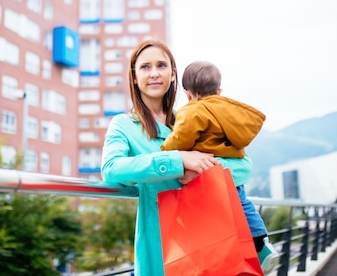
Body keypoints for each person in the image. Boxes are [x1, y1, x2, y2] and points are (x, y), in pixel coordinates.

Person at [101, 39, 255, 276]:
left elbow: (243, 165)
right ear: (134, 76)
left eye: (161, 65)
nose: (154, 73)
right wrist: (178, 161)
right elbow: (111, 170)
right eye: (145, 67)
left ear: (173, 75)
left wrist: (202, 167)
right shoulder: (124, 125)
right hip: (161, 243)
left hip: (210, 239)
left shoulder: (193, 117)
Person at [161, 60, 279, 273]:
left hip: (210, 173)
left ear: (187, 93)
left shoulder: (193, 111)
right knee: (243, 205)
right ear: (219, 90)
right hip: (231, 171)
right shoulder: (228, 111)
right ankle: (261, 244)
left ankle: (228, 259)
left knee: (215, 220)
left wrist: (166, 148)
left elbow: (181, 138)